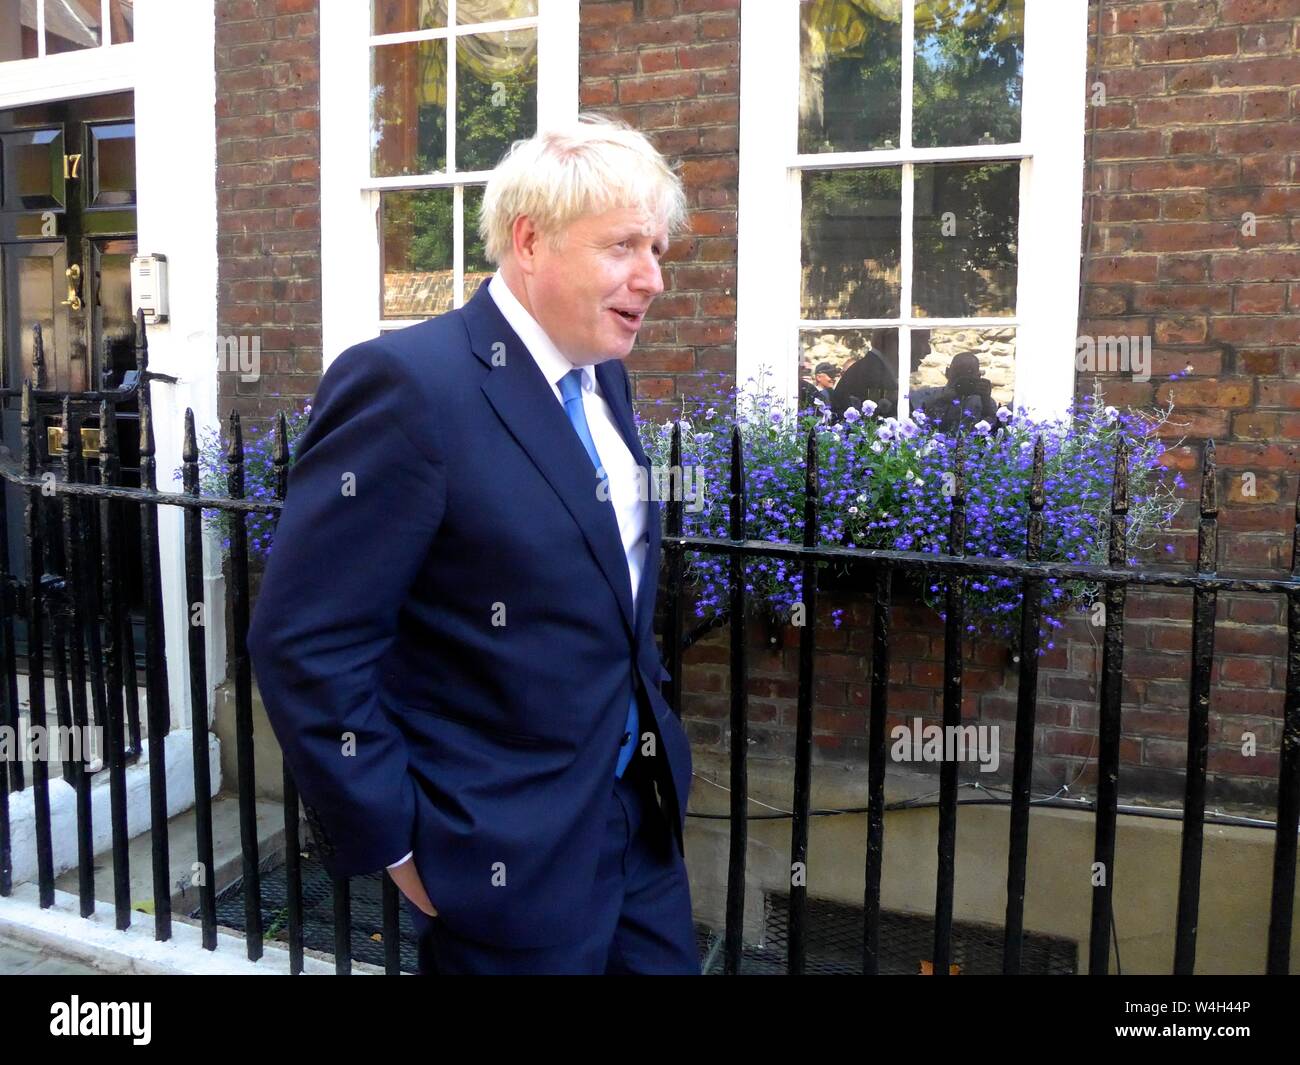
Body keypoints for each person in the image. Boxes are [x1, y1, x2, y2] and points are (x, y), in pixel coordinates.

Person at [247, 115, 699, 975]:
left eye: (659, 248)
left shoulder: (605, 375)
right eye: (624, 247)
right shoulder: (409, 385)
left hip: (636, 826)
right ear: (531, 242)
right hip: (497, 852)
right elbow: (305, 639)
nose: (653, 276)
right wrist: (397, 840)